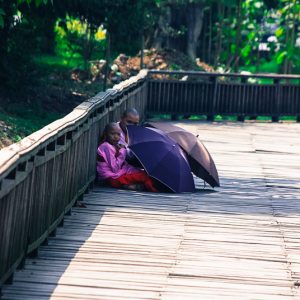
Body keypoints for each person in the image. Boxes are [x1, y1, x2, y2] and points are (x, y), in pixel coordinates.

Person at [96, 122, 158, 192]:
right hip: (112, 178)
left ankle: (139, 186)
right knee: (143, 176)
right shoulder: (106, 146)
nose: (116, 137)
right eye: (112, 134)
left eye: (118, 134)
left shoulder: (113, 145)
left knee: (141, 173)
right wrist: (123, 151)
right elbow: (115, 168)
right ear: (106, 134)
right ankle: (153, 188)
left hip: (116, 175)